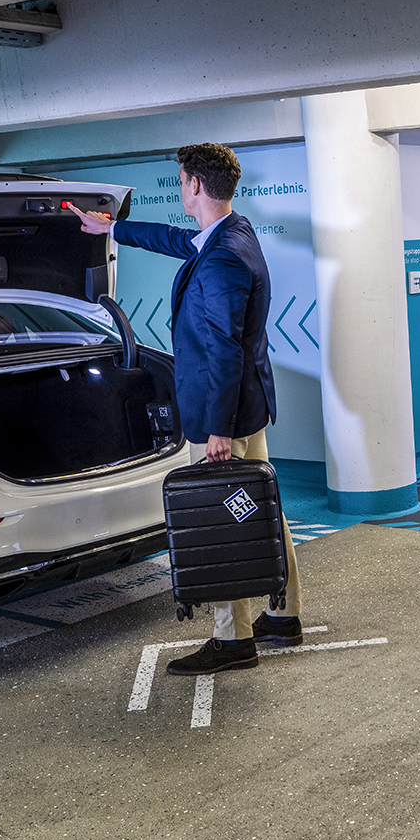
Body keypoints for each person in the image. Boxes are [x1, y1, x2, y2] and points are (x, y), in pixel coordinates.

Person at [66, 143, 303, 675]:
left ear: (195, 184)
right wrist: (110, 228)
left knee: (224, 517)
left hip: (225, 415)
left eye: (180, 181)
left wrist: (216, 429)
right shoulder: (230, 234)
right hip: (247, 406)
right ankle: (282, 615)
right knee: (259, 509)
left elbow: (221, 346)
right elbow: (175, 240)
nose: (179, 189)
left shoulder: (222, 255)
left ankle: (232, 639)